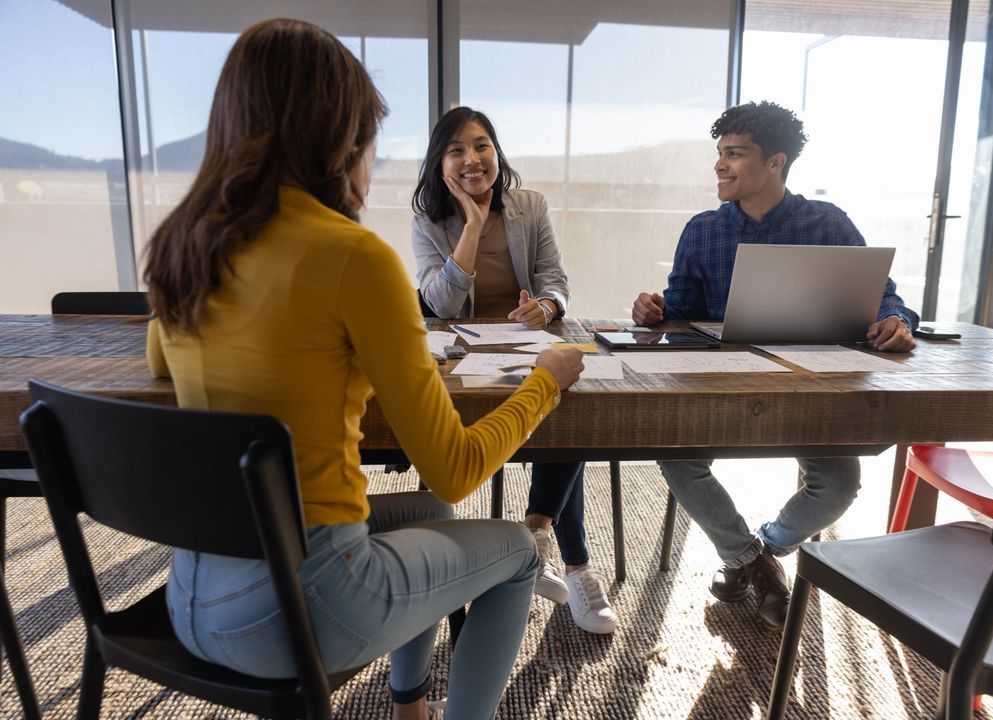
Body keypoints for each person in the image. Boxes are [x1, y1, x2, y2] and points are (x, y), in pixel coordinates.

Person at [143, 19, 584, 720]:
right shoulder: (353, 255)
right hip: (300, 609)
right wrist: (546, 383)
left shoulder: (184, 248)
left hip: (191, 597)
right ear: (341, 140)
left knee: (429, 516)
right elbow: (456, 466)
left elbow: (160, 359)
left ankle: (408, 706)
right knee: (519, 553)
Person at [632, 101, 919, 633]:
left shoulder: (828, 224)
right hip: (723, 388)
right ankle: (751, 564)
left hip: (810, 389)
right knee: (673, 454)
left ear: (776, 163)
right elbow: (680, 314)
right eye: (718, 154)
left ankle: (764, 547)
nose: (720, 165)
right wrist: (655, 312)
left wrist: (895, 320)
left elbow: (885, 297)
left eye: (734, 154)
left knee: (838, 483)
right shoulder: (702, 231)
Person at [411, 106, 617, 635]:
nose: (472, 159)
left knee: (569, 398)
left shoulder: (529, 205)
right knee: (555, 403)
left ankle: (547, 541)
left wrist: (546, 307)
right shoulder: (429, 221)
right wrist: (473, 225)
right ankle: (571, 562)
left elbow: (556, 279)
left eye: (482, 145)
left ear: (496, 151)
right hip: (464, 357)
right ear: (440, 164)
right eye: (456, 150)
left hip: (530, 343)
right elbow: (438, 305)